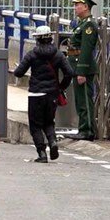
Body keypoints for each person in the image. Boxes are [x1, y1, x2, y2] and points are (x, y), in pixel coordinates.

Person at [13, 25, 73, 163]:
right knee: (48, 122)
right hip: (52, 94)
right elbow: (69, 73)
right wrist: (60, 87)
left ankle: (42, 153)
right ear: (51, 38)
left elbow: (18, 73)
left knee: (35, 125)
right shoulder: (58, 54)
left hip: (35, 94)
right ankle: (52, 142)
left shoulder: (32, 55)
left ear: (37, 39)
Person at [65, 0, 99, 141]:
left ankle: (88, 130)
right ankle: (83, 128)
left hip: (82, 68)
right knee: (80, 100)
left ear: (86, 7)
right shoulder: (81, 24)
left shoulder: (89, 25)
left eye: (78, 4)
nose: (75, 7)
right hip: (76, 66)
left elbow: (86, 50)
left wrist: (81, 72)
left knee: (85, 99)